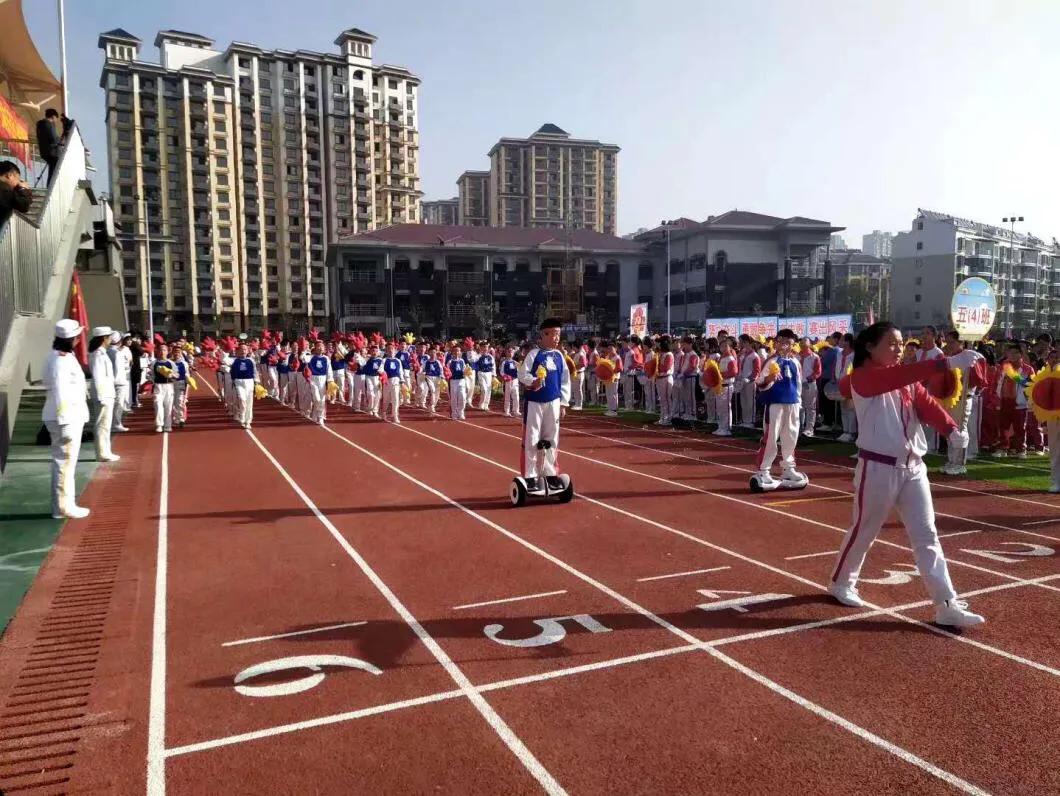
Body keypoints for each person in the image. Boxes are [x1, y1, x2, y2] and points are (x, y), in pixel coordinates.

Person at [829, 321, 984, 627]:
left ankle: (945, 603)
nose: (899, 349)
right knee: (865, 529)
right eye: (892, 343)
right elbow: (900, 376)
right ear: (870, 347)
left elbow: (925, 404)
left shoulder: (904, 379)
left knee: (927, 534)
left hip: (913, 467)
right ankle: (841, 582)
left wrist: (951, 429)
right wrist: (948, 362)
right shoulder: (863, 378)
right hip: (877, 467)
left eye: (901, 344)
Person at [43, 320, 91, 519]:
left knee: (66, 463)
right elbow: (61, 390)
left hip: (69, 415)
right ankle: (63, 507)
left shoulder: (59, 357)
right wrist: (64, 420)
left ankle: (66, 503)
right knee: (64, 463)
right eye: (77, 336)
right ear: (71, 339)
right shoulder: (60, 360)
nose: (79, 339)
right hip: (65, 417)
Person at [517, 318, 572, 493]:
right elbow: (522, 374)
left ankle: (550, 474)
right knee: (532, 438)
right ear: (543, 335)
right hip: (534, 402)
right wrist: (533, 381)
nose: (557, 338)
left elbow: (565, 380)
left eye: (558, 334)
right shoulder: (534, 354)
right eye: (554, 334)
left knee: (551, 439)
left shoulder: (559, 356)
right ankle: (531, 476)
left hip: (553, 402)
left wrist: (563, 403)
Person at [752, 329, 806, 489]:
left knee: (791, 436)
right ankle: (763, 470)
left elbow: (799, 384)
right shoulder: (772, 361)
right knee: (771, 437)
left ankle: (788, 468)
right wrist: (770, 378)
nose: (785, 346)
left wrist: (798, 402)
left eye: (788, 343)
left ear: (793, 345)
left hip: (793, 403)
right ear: (776, 343)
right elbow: (760, 382)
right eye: (782, 342)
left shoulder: (796, 362)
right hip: (775, 403)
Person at [940, 331, 985, 475]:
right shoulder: (950, 358)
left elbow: (979, 380)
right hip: (950, 399)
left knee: (960, 429)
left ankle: (960, 463)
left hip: (964, 397)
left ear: (961, 342)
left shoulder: (969, 357)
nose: (949, 345)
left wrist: (968, 375)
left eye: (952, 342)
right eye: (947, 342)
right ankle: (952, 460)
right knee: (950, 429)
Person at [993, 343, 1034, 458]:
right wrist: (997, 398)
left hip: (1020, 403)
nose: (1013, 355)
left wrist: (1014, 375)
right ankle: (1002, 448)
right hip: (1004, 401)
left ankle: (1021, 449)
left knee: (1020, 428)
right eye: (1010, 353)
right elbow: (998, 383)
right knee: (1003, 427)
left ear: (1021, 354)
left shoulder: (1027, 369)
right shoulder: (1003, 367)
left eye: (1016, 353)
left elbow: (1030, 385)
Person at [87, 326, 121, 462]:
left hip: (108, 394)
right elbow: (97, 376)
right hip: (103, 395)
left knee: (106, 425)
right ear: (104, 338)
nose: (110, 339)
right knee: (102, 425)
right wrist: (101, 396)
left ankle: (106, 451)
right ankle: (102, 453)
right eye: (108, 337)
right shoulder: (97, 355)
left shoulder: (102, 353)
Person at [713, 337, 738, 436]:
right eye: (721, 346)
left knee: (726, 407)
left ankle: (727, 428)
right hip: (720, 385)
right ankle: (721, 426)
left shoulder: (730, 358)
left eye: (725, 346)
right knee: (720, 407)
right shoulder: (721, 358)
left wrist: (720, 375)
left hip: (727, 385)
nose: (723, 348)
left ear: (729, 347)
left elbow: (733, 372)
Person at [834, 333, 857, 443]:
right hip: (840, 382)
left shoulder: (854, 355)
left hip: (851, 383)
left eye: (842, 340)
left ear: (848, 342)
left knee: (851, 408)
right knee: (843, 407)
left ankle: (851, 433)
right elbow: (837, 366)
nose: (840, 342)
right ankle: (845, 431)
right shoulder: (839, 354)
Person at [107, 333, 132, 432]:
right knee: (118, 404)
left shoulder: (108, 351)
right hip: (119, 382)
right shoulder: (116, 353)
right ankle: (116, 424)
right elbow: (118, 368)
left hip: (114, 382)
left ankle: (114, 423)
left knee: (114, 405)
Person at [230, 343, 258, 429]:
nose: (243, 351)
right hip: (239, 382)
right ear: (238, 351)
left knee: (249, 402)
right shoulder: (235, 361)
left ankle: (248, 421)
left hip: (249, 382)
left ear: (247, 351)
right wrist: (234, 380)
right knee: (242, 399)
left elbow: (255, 372)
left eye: (245, 349)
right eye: (241, 349)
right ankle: (242, 415)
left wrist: (256, 382)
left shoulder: (251, 361)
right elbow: (232, 372)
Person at [736, 334, 762, 428]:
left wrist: (750, 379)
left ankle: (750, 421)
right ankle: (745, 420)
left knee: (750, 401)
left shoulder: (755, 356)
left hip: (750, 382)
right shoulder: (742, 354)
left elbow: (757, 370)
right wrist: (738, 377)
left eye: (741, 342)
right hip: (742, 380)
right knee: (743, 401)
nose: (739, 343)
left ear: (746, 342)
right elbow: (739, 367)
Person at [798, 337, 822, 437]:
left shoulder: (815, 357)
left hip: (809, 384)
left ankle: (809, 429)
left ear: (809, 344)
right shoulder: (796, 356)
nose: (803, 344)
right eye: (801, 342)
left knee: (810, 407)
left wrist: (808, 379)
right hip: (798, 384)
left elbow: (818, 372)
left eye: (805, 342)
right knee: (799, 407)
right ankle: (799, 427)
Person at [151, 343, 178, 433]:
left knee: (168, 406)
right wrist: (150, 379)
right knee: (158, 405)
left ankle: (167, 425)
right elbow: (151, 375)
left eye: (164, 350)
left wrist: (171, 375)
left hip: (169, 386)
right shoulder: (154, 363)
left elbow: (177, 375)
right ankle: (159, 425)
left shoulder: (171, 363)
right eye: (160, 350)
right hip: (158, 386)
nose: (162, 352)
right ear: (158, 351)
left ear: (167, 352)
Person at [306, 341, 334, 425]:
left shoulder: (326, 358)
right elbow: (302, 358)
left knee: (321, 399)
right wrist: (304, 349)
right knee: (316, 397)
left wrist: (330, 381)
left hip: (323, 379)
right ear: (315, 348)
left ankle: (320, 416)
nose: (320, 348)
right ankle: (317, 414)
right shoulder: (310, 357)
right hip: (313, 379)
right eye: (318, 346)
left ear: (324, 348)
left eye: (322, 346)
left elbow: (329, 370)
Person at [0, 161, 33, 227]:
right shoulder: (5, 189)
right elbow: (23, 206)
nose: (18, 183)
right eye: (18, 179)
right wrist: (23, 189)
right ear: (9, 175)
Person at [36, 109, 63, 186]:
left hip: (44, 151)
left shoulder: (40, 125)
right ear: (53, 116)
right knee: (54, 171)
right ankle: (51, 187)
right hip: (52, 152)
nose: (55, 121)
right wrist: (61, 141)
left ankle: (50, 186)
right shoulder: (48, 124)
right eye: (55, 119)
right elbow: (53, 139)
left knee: (52, 170)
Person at [381, 343, 404, 423]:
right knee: (386, 399)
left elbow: (401, 372)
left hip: (396, 381)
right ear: (386, 351)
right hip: (387, 382)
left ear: (395, 350)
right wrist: (383, 373)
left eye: (392, 349)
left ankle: (395, 415)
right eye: (389, 349)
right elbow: (380, 370)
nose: (391, 351)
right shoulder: (384, 360)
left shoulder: (398, 361)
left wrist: (402, 381)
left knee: (396, 399)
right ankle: (384, 413)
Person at [654, 337, 675, 426]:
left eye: (659, 343)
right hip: (660, 378)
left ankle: (668, 418)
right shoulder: (661, 354)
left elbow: (666, 368)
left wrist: (657, 366)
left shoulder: (669, 354)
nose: (657, 345)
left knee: (666, 399)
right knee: (662, 399)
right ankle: (663, 417)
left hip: (666, 377)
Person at [360, 344, 384, 417]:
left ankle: (375, 410)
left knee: (377, 394)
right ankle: (370, 409)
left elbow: (381, 370)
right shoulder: (367, 359)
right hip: (368, 377)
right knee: (370, 393)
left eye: (376, 351)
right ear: (370, 351)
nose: (374, 352)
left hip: (377, 378)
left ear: (378, 352)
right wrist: (364, 360)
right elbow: (361, 367)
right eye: (373, 351)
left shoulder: (380, 360)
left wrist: (380, 379)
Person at [447, 345, 469, 420]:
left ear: (460, 352)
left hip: (461, 380)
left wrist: (466, 372)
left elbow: (465, 370)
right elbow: (447, 372)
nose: (457, 352)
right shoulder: (450, 362)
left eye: (458, 351)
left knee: (462, 396)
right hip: (453, 381)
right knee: (454, 397)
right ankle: (454, 413)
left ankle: (461, 412)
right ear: (452, 352)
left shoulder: (462, 361)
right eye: (455, 351)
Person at [474, 341, 496, 411]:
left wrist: (494, 375)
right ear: (480, 348)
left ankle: (486, 404)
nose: (485, 348)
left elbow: (493, 366)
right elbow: (472, 360)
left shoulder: (490, 357)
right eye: (483, 347)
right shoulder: (478, 356)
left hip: (489, 374)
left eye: (486, 347)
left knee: (488, 390)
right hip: (481, 373)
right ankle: (481, 404)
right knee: (484, 389)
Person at [500, 346, 520, 417]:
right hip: (508, 381)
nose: (510, 353)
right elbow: (502, 372)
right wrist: (505, 376)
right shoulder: (504, 362)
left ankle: (516, 410)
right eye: (509, 351)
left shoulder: (515, 363)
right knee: (507, 396)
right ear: (506, 353)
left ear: (514, 353)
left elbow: (520, 370)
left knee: (516, 395)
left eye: (512, 351)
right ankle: (507, 411)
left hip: (515, 380)